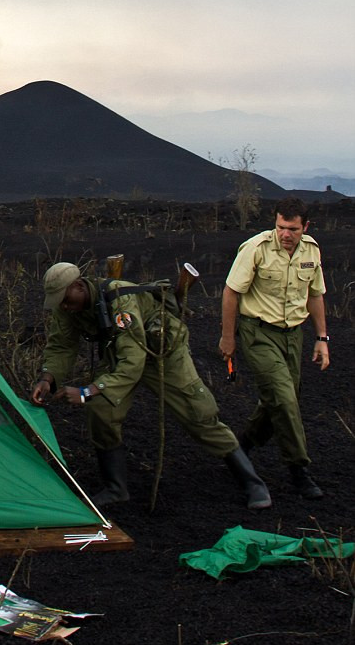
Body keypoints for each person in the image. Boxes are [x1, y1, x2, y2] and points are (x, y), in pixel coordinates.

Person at [32, 262, 271, 510]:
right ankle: (116, 488)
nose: (64, 306)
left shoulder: (120, 301)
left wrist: (87, 391)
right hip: (120, 353)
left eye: (66, 299)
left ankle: (252, 483)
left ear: (80, 286)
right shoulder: (67, 308)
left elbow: (133, 362)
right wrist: (48, 378)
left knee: (198, 414)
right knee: (101, 410)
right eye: (59, 302)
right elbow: (61, 345)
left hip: (162, 353)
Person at [219, 197, 330, 500]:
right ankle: (299, 470)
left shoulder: (311, 250)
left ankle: (240, 449)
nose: (285, 234)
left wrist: (322, 338)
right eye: (281, 227)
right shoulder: (256, 248)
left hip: (293, 334)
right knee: (284, 398)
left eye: (292, 229)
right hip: (258, 333)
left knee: (280, 399)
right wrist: (228, 339)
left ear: (305, 227)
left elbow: (315, 294)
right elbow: (231, 292)